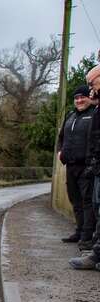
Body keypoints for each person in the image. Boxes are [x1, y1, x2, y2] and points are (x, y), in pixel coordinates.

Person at [58, 85, 97, 249]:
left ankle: (87, 237)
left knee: (87, 201)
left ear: (90, 98)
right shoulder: (70, 116)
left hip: (87, 166)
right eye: (76, 98)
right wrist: (60, 152)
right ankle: (79, 231)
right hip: (70, 165)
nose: (79, 100)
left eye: (83, 97)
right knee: (75, 200)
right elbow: (61, 137)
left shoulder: (94, 115)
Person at [70, 64, 100, 271]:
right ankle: (92, 246)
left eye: (92, 84)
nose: (90, 91)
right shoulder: (74, 116)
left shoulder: (92, 112)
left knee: (92, 204)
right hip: (88, 164)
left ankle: (88, 242)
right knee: (89, 204)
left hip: (90, 164)